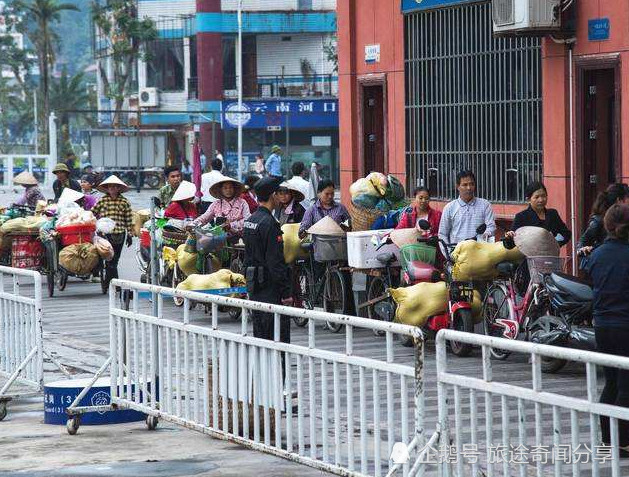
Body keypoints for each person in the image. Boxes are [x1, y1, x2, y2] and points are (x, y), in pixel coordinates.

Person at [583, 203, 629, 454]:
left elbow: (589, 274)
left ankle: (607, 440)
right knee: (626, 386)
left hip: (602, 326)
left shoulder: (597, 254)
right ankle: (623, 442)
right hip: (625, 326)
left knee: (611, 382)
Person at [243, 175, 293, 344]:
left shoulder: (250, 221)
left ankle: (263, 371)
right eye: (279, 193)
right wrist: (286, 293)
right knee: (278, 340)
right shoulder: (270, 224)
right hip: (271, 288)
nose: (282, 197)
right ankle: (280, 371)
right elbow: (275, 263)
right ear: (273, 195)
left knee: (261, 339)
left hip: (254, 286)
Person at [91, 175, 134, 285]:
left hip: (119, 234)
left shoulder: (124, 202)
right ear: (107, 188)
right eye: (110, 187)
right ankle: (114, 284)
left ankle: (111, 283)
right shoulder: (102, 200)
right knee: (108, 259)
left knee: (114, 260)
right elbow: (93, 213)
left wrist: (130, 234)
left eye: (115, 187)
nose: (112, 189)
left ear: (119, 188)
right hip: (104, 234)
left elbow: (128, 220)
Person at [438, 170, 496, 246]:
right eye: (465, 185)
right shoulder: (449, 208)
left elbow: (491, 227)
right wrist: (449, 253)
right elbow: (442, 234)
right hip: (457, 253)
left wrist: (485, 235)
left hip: (480, 252)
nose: (469, 188)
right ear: (457, 186)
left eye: (471, 184)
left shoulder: (485, 205)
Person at [510, 181, 571, 246]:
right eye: (537, 197)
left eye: (543, 196)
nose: (541, 200)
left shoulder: (553, 214)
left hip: (551, 254)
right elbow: (510, 245)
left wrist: (556, 243)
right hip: (529, 255)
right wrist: (509, 238)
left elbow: (566, 234)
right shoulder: (521, 217)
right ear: (528, 199)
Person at [578, 183, 629, 258]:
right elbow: (583, 242)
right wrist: (583, 249)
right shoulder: (599, 220)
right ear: (619, 200)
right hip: (606, 260)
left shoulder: (625, 217)